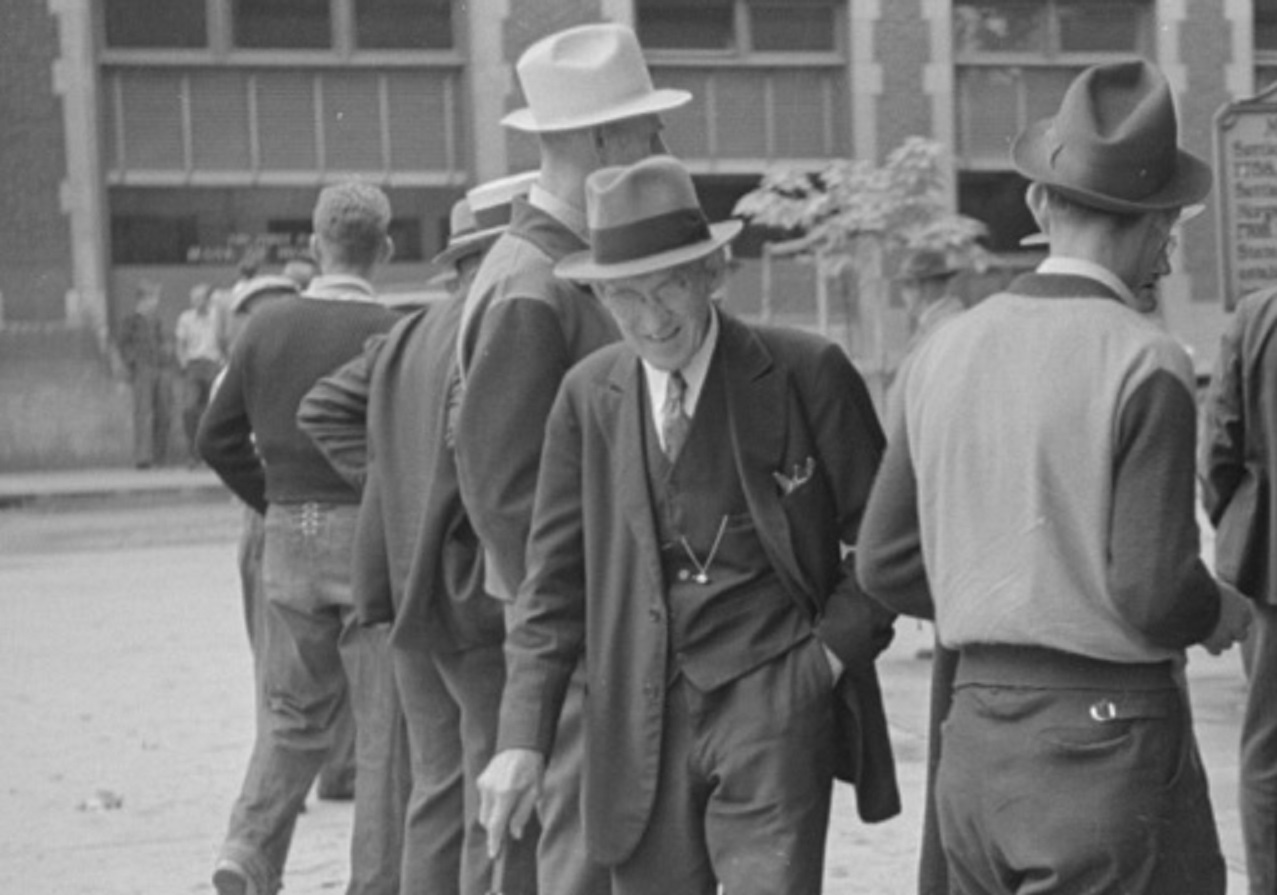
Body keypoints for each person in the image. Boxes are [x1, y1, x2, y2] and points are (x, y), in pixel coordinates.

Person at [856, 59, 1252, 895]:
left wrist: (1002, 584)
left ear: (1041, 203)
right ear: (1159, 223)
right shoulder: (1146, 358)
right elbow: (1151, 588)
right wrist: (1220, 609)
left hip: (973, 739)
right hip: (1106, 745)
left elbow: (884, 564)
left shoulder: (941, 351)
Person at [477, 155, 898, 895]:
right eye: (622, 297)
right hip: (636, 721)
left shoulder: (805, 371)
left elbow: (888, 541)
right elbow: (550, 589)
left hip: (772, 703)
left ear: (712, 271)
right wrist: (520, 737)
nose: (650, 318)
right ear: (598, 296)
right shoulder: (587, 396)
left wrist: (821, 664)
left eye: (667, 284)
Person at [454, 23, 690, 895]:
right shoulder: (535, 283)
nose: (662, 145)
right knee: (577, 859)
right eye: (646, 130)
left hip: (588, 623)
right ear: (598, 145)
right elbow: (505, 494)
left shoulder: (548, 268)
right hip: (583, 631)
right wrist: (588, 630)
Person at [298, 171, 537, 895]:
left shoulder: (408, 333)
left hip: (406, 590)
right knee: (493, 795)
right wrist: (433, 497)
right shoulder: (498, 324)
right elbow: (487, 458)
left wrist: (396, 492)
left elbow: (321, 409)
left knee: (437, 786)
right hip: (471, 595)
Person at [198, 181, 409, 895]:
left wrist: (277, 498)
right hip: (366, 537)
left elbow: (215, 435)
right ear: (383, 249)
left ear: (315, 245)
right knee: (382, 730)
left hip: (288, 534)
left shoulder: (264, 326)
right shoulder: (395, 329)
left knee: (289, 713)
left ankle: (249, 851)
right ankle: (374, 882)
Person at [1200, 284, 1277, 895]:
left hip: (1273, 570)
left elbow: (1220, 446)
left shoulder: (1257, 315)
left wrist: (1240, 528)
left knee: (1269, 750)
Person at [117, 280, 171, 469]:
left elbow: (162, 342)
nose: (155, 302)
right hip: (143, 369)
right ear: (143, 299)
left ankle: (160, 457)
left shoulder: (156, 321)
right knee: (144, 413)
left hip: (160, 369)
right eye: (153, 298)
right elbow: (123, 345)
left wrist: (165, 358)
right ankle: (143, 457)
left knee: (163, 413)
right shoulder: (131, 320)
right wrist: (133, 363)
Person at [174, 282, 224, 466]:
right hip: (194, 365)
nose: (197, 302)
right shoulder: (185, 318)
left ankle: (209, 453)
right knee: (189, 409)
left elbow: (224, 339)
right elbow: (180, 344)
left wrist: (222, 362)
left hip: (213, 364)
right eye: (194, 299)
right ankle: (192, 452)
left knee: (212, 411)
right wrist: (184, 363)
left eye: (200, 299)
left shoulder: (217, 317)